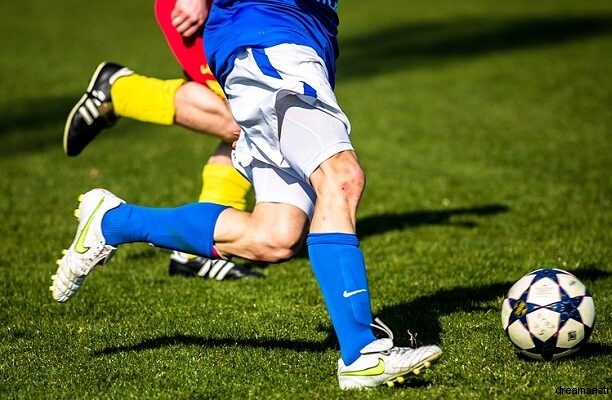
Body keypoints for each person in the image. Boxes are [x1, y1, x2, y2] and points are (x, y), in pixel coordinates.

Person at [51, 0, 442, 389]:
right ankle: (361, 354)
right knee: (340, 177)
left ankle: (114, 221)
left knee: (275, 236)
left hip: (295, 40)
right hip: (269, 34)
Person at [63, 0, 261, 280]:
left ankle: (197, 253)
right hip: (202, 10)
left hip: (246, 14)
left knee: (252, 123)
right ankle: (121, 91)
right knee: (249, 121)